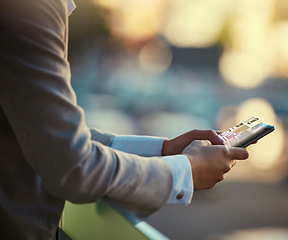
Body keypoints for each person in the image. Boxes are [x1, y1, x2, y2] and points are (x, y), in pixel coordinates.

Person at [0, 0, 249, 239]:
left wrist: (162, 151)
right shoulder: (31, 6)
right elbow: (70, 164)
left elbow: (35, 130)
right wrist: (185, 171)